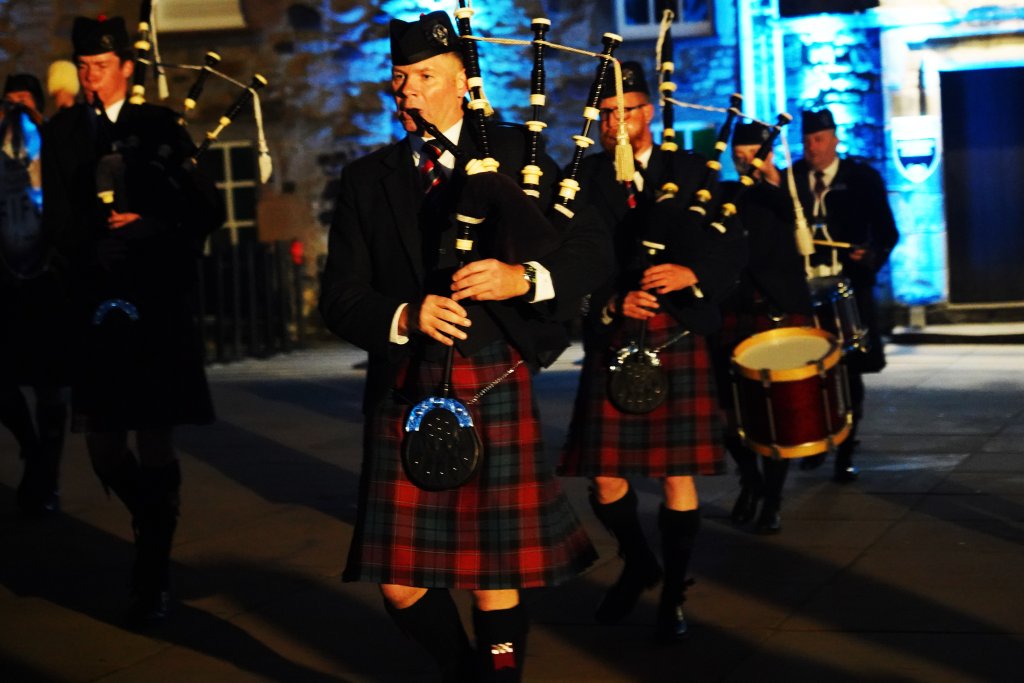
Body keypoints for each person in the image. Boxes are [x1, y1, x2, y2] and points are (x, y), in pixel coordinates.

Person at [318, 11, 609, 682]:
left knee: (493, 574)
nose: (408, 90)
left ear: (462, 82)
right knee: (399, 582)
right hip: (405, 385)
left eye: (424, 76)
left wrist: (523, 278)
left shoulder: (518, 153)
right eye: (400, 76)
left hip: (491, 375)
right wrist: (405, 313)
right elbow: (341, 295)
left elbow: (592, 249)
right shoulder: (369, 179)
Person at [41, 16, 223, 622]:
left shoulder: (160, 126)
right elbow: (55, 221)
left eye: (101, 66)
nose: (91, 76)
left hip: (155, 301)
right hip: (94, 304)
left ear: (125, 66)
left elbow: (206, 209)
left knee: (153, 435)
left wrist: (152, 228)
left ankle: (152, 572)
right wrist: (93, 243)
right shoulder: (63, 132)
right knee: (101, 445)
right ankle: (153, 517)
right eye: (83, 67)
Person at [559, 62, 745, 641]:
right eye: (606, 115)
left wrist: (693, 273)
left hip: (677, 329)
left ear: (650, 111)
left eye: (628, 111)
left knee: (675, 476)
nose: (617, 123)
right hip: (617, 332)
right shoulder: (583, 179)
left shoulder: (689, 169)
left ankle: (673, 592)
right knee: (603, 478)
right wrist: (611, 302)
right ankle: (639, 562)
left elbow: (731, 244)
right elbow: (567, 261)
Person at [709, 121, 815, 534]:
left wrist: (770, 176)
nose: (744, 163)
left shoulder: (790, 190)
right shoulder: (725, 193)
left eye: (751, 155)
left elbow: (795, 213)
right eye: (738, 157)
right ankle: (750, 480)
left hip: (776, 311)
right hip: (733, 311)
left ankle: (772, 497)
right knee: (727, 410)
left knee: (776, 409)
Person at [786, 108, 899, 482]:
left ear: (835, 139)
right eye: (807, 140)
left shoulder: (862, 179)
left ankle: (846, 448)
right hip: (803, 291)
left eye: (819, 139)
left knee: (848, 371)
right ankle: (818, 441)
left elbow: (887, 233)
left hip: (849, 290)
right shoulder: (792, 180)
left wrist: (870, 256)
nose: (812, 147)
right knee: (809, 370)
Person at [0, 73, 71, 514]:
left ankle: (46, 479)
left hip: (47, 280)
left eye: (24, 100)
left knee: (50, 386)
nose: (17, 109)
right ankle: (31, 447)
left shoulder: (53, 146)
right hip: (7, 278)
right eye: (10, 101)